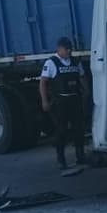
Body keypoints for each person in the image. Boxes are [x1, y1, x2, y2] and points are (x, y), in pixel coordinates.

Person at [40, 36, 88, 172]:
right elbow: (43, 82)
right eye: (66, 49)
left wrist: (86, 91)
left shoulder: (75, 62)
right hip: (60, 102)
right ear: (59, 49)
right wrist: (44, 101)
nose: (69, 51)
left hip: (75, 100)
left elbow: (82, 77)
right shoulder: (51, 62)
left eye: (70, 49)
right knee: (61, 131)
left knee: (79, 129)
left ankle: (80, 155)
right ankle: (61, 159)